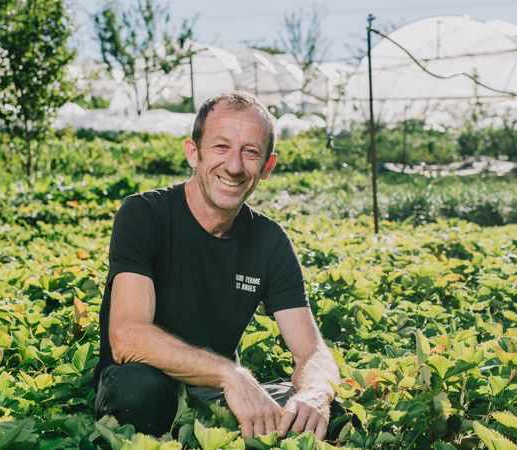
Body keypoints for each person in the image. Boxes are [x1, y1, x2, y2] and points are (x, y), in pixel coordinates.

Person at [94, 91, 340, 440]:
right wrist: (230, 374)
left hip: (218, 392)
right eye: (221, 147)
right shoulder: (144, 214)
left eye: (250, 152)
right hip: (147, 382)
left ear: (267, 167)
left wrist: (315, 394)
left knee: (325, 412)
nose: (235, 166)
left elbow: (312, 351)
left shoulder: (270, 241)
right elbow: (127, 336)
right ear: (193, 153)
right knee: (139, 390)